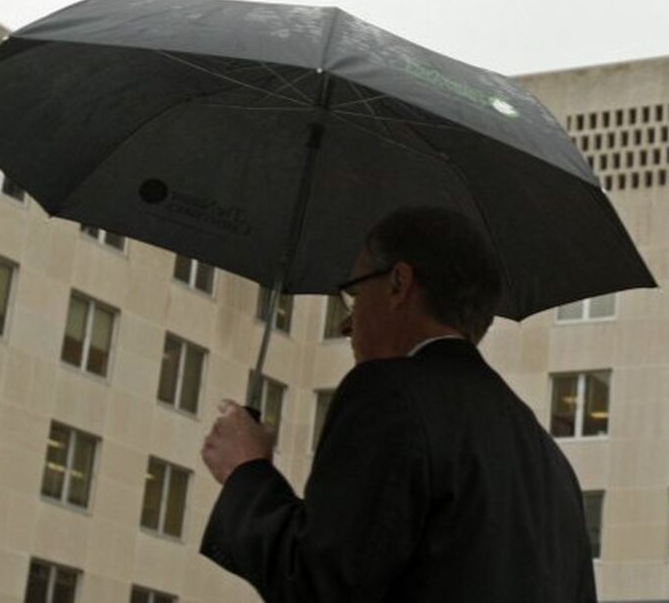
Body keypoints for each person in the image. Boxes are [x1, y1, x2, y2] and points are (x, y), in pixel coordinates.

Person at [199, 207, 597, 602]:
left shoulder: (389, 396)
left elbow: (321, 584)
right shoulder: (553, 468)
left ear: (398, 283)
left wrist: (245, 470)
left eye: (354, 294)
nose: (346, 324)